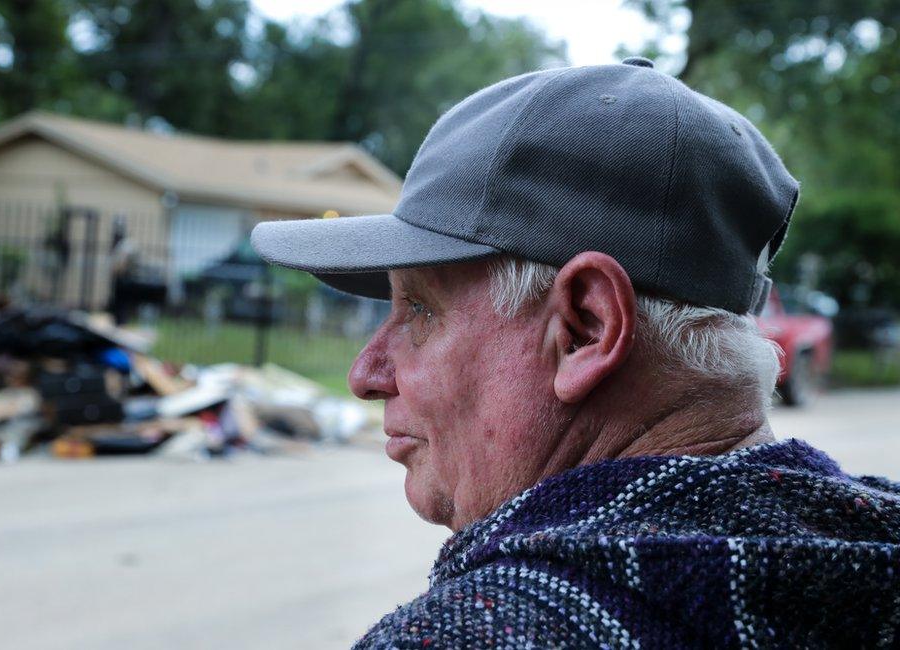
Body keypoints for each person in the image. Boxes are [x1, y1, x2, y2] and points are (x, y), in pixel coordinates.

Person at [252, 58, 900, 648]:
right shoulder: (865, 554)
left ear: (586, 327)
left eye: (420, 310)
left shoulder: (479, 635)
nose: (365, 374)